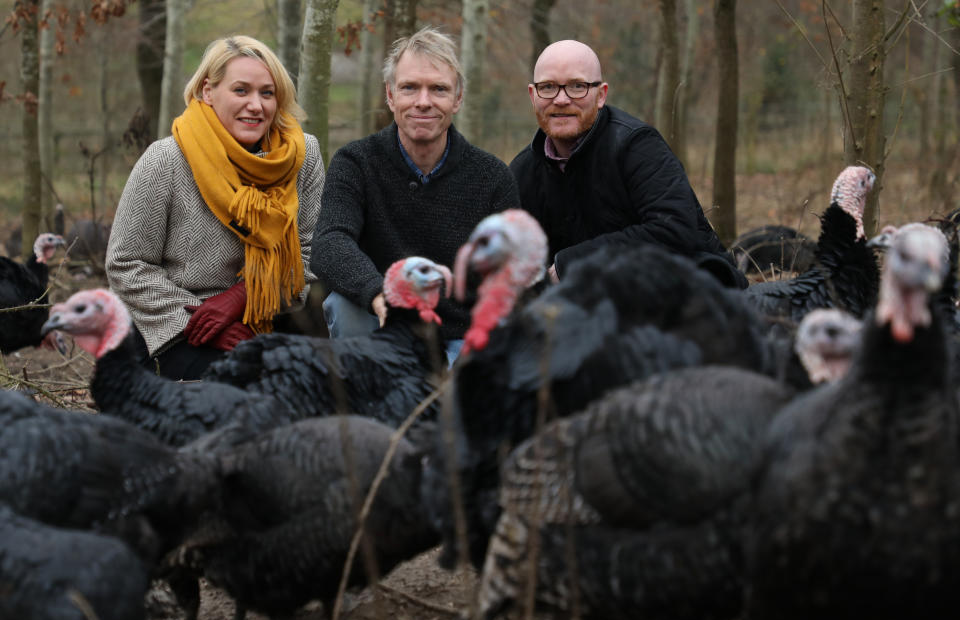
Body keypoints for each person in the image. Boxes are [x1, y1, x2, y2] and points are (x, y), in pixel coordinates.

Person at [106, 35, 324, 380]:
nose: (256, 105)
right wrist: (199, 323)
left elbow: (310, 255)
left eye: (267, 93)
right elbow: (126, 264)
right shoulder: (166, 160)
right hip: (181, 326)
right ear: (208, 91)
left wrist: (242, 297)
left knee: (316, 392)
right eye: (241, 91)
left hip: (272, 315)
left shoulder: (302, 155)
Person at [312, 26, 521, 365]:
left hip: (461, 336)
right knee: (342, 303)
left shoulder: (492, 176)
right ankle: (367, 401)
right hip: (381, 324)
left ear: (458, 98)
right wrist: (380, 294)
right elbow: (329, 242)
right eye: (410, 88)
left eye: (438, 89)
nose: (423, 102)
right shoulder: (355, 162)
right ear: (391, 95)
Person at [510, 40, 747, 289]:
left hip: (695, 295)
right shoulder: (522, 171)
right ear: (532, 95)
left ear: (601, 95)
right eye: (547, 87)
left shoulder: (637, 146)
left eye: (577, 86)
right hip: (595, 309)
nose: (560, 99)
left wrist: (568, 265)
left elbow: (674, 232)